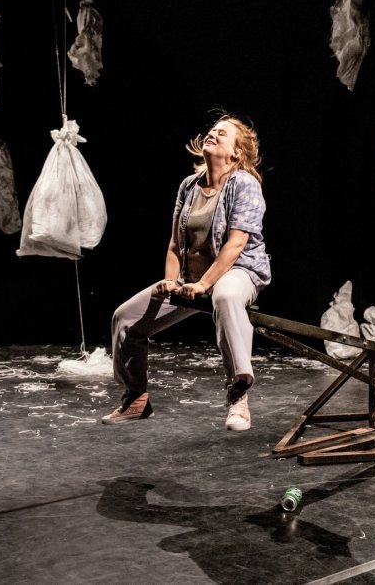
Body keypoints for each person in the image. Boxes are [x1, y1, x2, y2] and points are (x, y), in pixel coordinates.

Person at [102, 114, 271, 431]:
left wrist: (205, 284)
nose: (212, 134)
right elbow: (175, 244)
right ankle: (136, 398)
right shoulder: (189, 186)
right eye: (212, 130)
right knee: (125, 318)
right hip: (192, 281)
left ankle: (238, 393)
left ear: (236, 152)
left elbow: (236, 244)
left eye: (222, 133)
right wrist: (171, 281)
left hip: (238, 271)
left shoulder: (244, 184)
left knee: (226, 296)